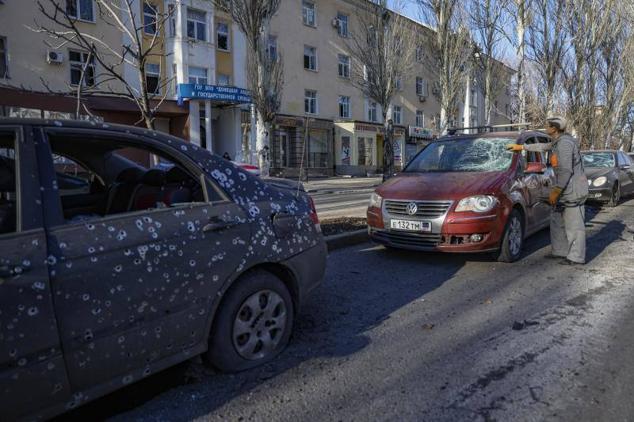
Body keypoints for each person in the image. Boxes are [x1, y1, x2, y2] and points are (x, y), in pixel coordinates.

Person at [506, 116, 588, 265]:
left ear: (554, 129)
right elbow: (543, 147)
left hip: (572, 191)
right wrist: (522, 147)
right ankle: (560, 252)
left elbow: (565, 171)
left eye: (548, 126)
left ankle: (576, 257)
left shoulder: (565, 144)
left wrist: (556, 190)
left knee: (574, 226)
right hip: (563, 191)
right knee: (557, 222)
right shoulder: (557, 142)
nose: (546, 127)